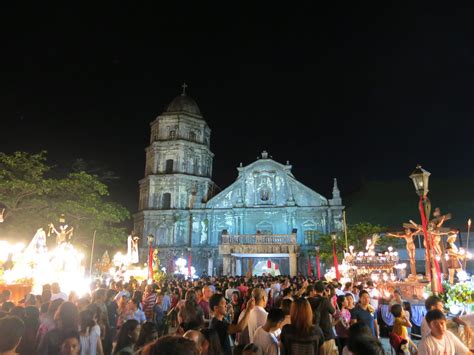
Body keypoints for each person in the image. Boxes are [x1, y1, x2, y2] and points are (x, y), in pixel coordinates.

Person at [308, 281, 336, 355]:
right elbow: (334, 313)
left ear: (314, 290)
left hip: (313, 334)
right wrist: (328, 297)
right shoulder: (325, 301)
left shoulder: (308, 301)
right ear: (324, 290)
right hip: (326, 334)